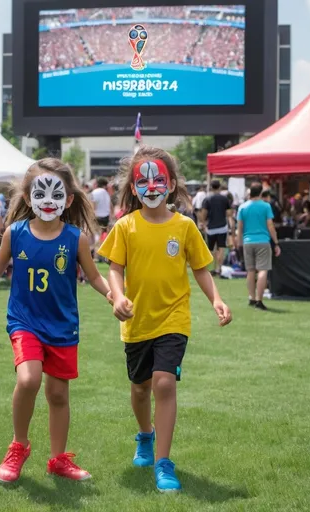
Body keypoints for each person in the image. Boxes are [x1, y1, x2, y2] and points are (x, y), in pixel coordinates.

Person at [0, 158, 111, 484]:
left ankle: (58, 459)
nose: (48, 201)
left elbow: (93, 276)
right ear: (27, 197)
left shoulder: (76, 238)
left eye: (56, 195)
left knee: (59, 395)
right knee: (28, 380)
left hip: (63, 326)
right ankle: (18, 446)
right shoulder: (15, 233)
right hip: (25, 321)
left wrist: (114, 296)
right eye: (41, 193)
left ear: (70, 200)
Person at [98, 147, 232, 493]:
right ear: (134, 188)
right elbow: (114, 268)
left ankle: (163, 462)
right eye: (144, 181)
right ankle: (145, 435)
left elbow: (200, 269)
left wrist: (216, 299)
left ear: (171, 185)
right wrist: (119, 296)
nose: (152, 186)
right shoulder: (125, 227)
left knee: (164, 384)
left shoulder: (185, 226)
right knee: (140, 388)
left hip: (174, 318)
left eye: (160, 180)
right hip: (136, 321)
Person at [237, 183, 281, 311]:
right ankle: (259, 299)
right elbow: (270, 226)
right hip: (263, 240)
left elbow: (239, 228)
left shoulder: (242, 207)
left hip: (247, 241)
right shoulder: (266, 206)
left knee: (250, 271)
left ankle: (251, 297)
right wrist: (276, 242)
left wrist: (239, 243)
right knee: (263, 270)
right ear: (261, 193)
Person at [201, 180, 233, 276]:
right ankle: (219, 268)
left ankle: (213, 268)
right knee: (221, 247)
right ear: (219, 187)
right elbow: (229, 213)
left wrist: (204, 223)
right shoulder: (225, 199)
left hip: (211, 227)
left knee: (211, 248)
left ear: (211, 187)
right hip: (222, 226)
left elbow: (204, 213)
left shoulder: (207, 199)